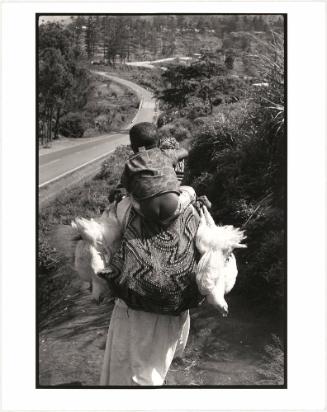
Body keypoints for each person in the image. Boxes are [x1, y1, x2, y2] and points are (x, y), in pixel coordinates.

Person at [120, 122, 195, 226]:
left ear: (132, 147)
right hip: (172, 208)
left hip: (147, 213)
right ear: (159, 142)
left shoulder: (130, 162)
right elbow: (185, 152)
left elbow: (125, 185)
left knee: (129, 196)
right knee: (191, 191)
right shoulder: (166, 153)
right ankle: (199, 209)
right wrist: (176, 154)